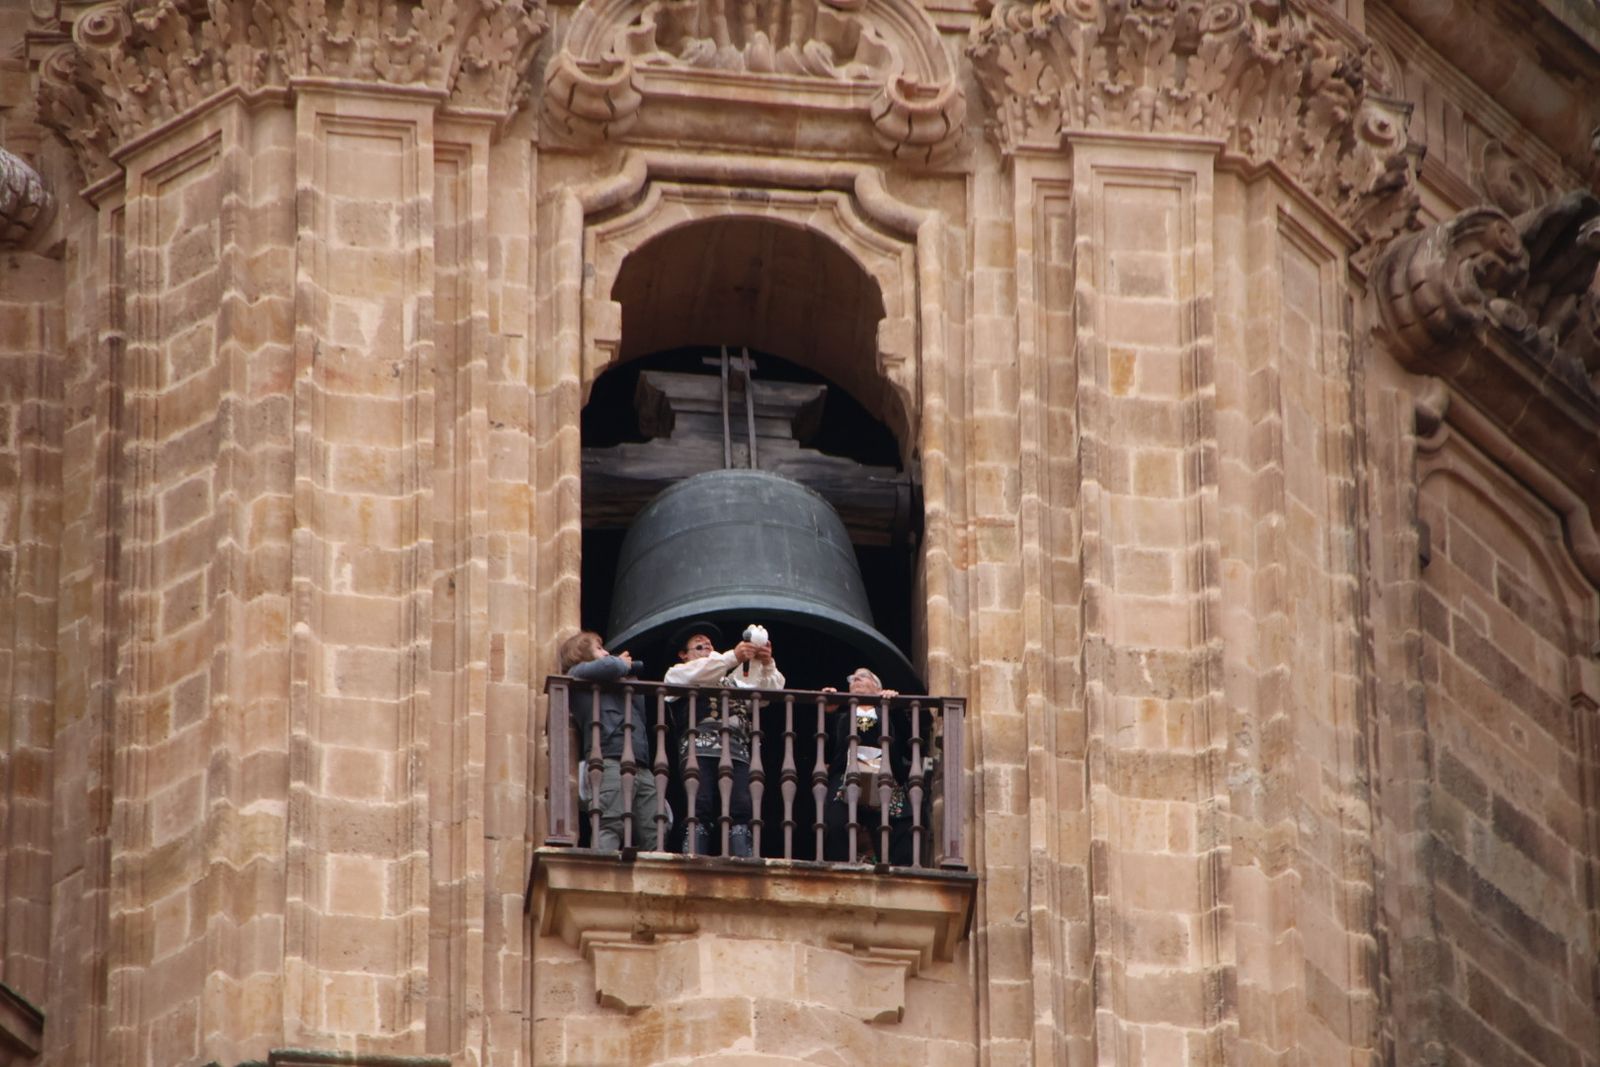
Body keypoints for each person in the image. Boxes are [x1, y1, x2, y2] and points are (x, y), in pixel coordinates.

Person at [662, 621, 784, 857]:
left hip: (737, 749)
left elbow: (769, 693)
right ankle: (694, 856)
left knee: (742, 805)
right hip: (699, 747)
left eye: (708, 644)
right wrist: (733, 657)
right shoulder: (677, 674)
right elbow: (702, 671)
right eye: (699, 645)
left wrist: (766, 663)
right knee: (700, 801)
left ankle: (742, 857)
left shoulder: (731, 681)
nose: (706, 644)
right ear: (683, 655)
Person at [558, 631, 660, 851]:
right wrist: (620, 663)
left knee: (655, 828)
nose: (606, 653)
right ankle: (602, 868)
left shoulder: (615, 680)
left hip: (640, 763)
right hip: (610, 760)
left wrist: (624, 673)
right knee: (611, 822)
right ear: (580, 654)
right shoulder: (577, 672)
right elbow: (611, 666)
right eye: (599, 648)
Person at [821, 667, 916, 866]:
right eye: (852, 678)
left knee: (899, 824)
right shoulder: (842, 716)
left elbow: (908, 745)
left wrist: (895, 705)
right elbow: (826, 748)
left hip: (884, 776)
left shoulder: (887, 712)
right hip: (846, 776)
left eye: (862, 676)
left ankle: (899, 873)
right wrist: (828, 712)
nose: (856, 679)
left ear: (877, 687)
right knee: (836, 821)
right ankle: (840, 869)